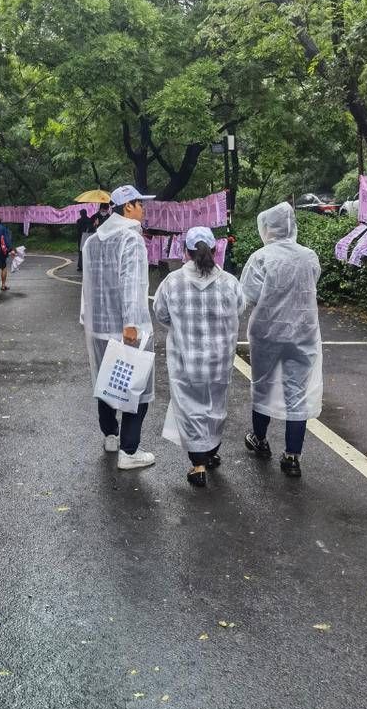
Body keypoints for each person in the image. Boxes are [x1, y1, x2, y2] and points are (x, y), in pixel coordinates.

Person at [154, 227, 244, 488]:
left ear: (186, 252)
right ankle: (211, 451)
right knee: (215, 407)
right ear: (215, 250)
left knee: (189, 409)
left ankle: (198, 464)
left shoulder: (172, 281)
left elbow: (161, 313)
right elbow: (240, 308)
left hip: (185, 360)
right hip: (219, 361)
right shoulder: (229, 281)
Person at [239, 202, 323, 478]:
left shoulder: (261, 257)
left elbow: (248, 295)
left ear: (267, 229)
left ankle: (260, 439)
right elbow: (313, 281)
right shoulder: (308, 256)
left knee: (262, 385)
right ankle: (292, 456)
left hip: (267, 331)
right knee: (296, 393)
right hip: (303, 331)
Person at [81, 184, 156, 470]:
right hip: (126, 329)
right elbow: (133, 285)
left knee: (107, 382)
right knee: (136, 386)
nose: (144, 209)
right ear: (128, 207)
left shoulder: (94, 240)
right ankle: (129, 450)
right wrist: (132, 324)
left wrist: (86, 319)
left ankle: (111, 436)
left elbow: (87, 286)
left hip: (99, 327)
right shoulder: (131, 239)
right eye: (140, 204)